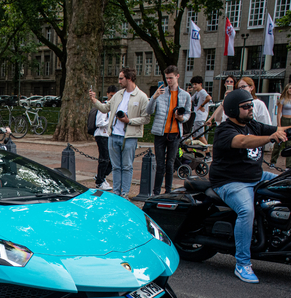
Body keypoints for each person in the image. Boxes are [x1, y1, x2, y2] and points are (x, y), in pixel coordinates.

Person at [209, 89, 291, 283]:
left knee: (289, 184)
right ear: (232, 109)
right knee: (246, 211)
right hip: (231, 181)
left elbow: (274, 129)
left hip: (256, 176)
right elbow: (243, 141)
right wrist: (271, 138)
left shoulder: (253, 124)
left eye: (251, 105)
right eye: (245, 106)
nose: (250, 109)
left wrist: (288, 132)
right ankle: (243, 264)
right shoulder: (225, 130)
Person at [89, 67, 150, 198]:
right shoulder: (118, 95)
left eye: (121, 78)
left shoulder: (142, 97)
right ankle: (117, 192)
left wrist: (129, 121)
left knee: (127, 166)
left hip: (130, 136)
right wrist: (94, 101)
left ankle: (125, 193)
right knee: (116, 166)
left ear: (129, 79)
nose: (119, 81)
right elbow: (105, 108)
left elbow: (146, 118)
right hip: (114, 135)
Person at [146, 65, 192, 195]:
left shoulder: (185, 95)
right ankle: (156, 192)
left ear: (177, 76)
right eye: (167, 78)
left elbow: (188, 114)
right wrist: (154, 97)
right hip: (160, 133)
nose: (169, 81)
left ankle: (168, 191)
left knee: (170, 164)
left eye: (171, 78)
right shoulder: (160, 93)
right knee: (160, 164)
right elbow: (149, 111)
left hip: (175, 133)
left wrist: (181, 118)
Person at [93, 85, 118, 191]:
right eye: (111, 95)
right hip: (102, 135)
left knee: (111, 160)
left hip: (109, 135)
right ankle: (99, 180)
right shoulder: (104, 106)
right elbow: (99, 122)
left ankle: (101, 176)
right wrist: (110, 122)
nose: (112, 98)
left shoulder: (115, 106)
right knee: (104, 158)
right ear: (107, 94)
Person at [271, 82, 291, 169]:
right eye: (290, 88)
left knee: (290, 143)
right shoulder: (283, 99)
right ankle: (273, 162)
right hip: (284, 120)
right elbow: (279, 113)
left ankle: (289, 165)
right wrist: (279, 125)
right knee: (279, 140)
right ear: (287, 89)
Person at [190, 76, 212, 145]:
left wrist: (202, 105)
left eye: (195, 84)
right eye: (193, 84)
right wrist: (188, 92)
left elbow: (208, 98)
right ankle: (191, 151)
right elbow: (190, 100)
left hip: (200, 117)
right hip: (196, 117)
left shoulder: (202, 92)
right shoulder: (197, 93)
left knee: (201, 136)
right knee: (193, 136)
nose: (194, 86)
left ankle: (207, 151)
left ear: (200, 84)